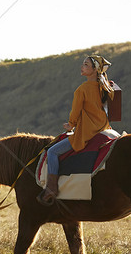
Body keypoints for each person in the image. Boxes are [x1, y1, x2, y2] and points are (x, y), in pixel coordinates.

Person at [37, 54, 114, 206]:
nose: (82, 67)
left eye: (85, 65)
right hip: (103, 128)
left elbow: (76, 111)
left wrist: (71, 125)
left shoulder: (82, 89)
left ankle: (51, 188)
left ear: (94, 70)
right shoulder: (104, 86)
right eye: (83, 64)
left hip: (87, 132)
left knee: (52, 152)